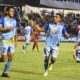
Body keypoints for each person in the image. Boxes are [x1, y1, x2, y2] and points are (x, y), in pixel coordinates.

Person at [0, 7, 17, 77]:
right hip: (4, 40)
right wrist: (7, 29)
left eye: (13, 11)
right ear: (7, 12)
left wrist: (16, 40)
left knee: (10, 57)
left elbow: (15, 31)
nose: (12, 12)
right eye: (10, 11)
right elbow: (0, 29)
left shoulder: (14, 20)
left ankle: (5, 72)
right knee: (4, 59)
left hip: (11, 41)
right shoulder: (3, 19)